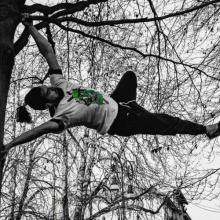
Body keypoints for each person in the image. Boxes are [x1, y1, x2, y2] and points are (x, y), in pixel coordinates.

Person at [3, 15, 220, 153]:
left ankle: (135, 108)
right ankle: (205, 130)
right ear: (46, 104)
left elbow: (47, 51)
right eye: (47, 93)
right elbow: (38, 131)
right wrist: (11, 144)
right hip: (120, 122)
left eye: (46, 86)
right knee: (164, 122)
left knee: (129, 76)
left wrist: (30, 27)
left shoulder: (58, 82)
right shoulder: (61, 117)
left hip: (118, 100)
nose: (51, 88)